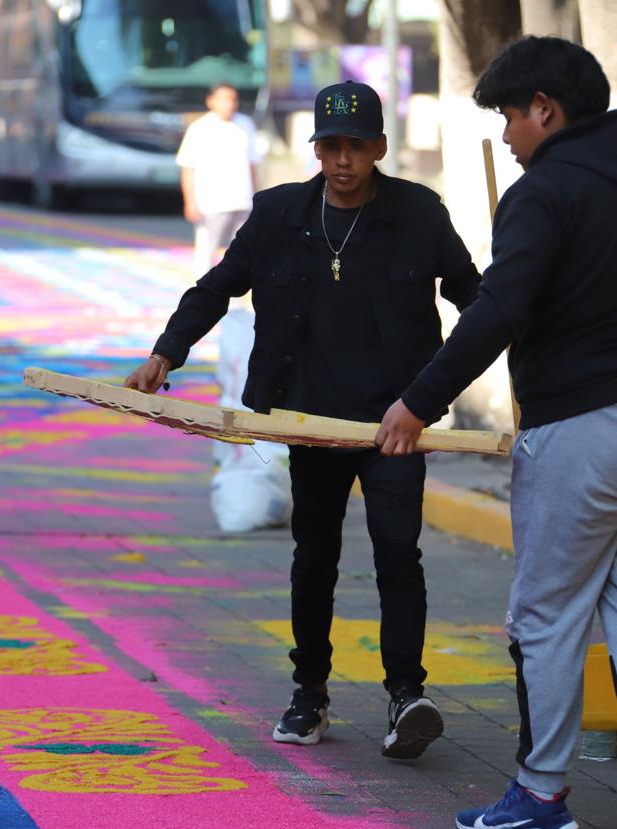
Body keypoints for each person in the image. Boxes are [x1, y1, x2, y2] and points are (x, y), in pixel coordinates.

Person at [374, 37, 617, 829]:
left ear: (546, 108)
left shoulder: (544, 190)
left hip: (587, 422)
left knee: (545, 614)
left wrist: (417, 403)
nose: (507, 137)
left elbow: (499, 310)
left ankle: (541, 795)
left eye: (511, 117)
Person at [126, 80, 481, 759]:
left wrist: (519, 334)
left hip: (396, 423)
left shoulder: (419, 215)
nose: (343, 160)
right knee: (314, 557)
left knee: (398, 556)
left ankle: (407, 694)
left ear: (379, 148)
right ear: (314, 149)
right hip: (310, 420)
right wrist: (165, 352)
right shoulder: (279, 214)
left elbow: (476, 297)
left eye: (356, 146)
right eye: (330, 147)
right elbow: (216, 288)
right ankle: (309, 693)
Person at [176, 82, 261, 277]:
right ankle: (202, 294)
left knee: (243, 251)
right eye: (223, 99)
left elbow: (252, 164)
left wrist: (256, 197)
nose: (228, 104)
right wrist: (190, 202)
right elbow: (187, 168)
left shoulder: (245, 124)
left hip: (242, 200)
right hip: (212, 202)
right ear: (211, 101)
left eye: (232, 99)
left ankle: (236, 295)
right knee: (207, 251)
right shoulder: (200, 128)